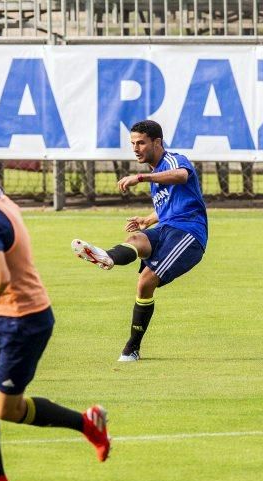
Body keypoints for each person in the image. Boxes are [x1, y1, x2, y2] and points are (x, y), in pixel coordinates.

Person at [0, 143, 111, 481]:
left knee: (8, 408)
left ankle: (87, 423)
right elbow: (3, 269)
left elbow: (3, 276)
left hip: (23, 320)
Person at [71, 120, 207, 362]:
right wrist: (148, 218)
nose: (135, 148)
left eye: (141, 142)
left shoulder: (173, 161)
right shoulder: (156, 174)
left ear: (157, 142)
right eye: (133, 143)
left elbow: (182, 176)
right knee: (136, 240)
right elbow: (170, 205)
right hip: (166, 227)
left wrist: (142, 177)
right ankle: (107, 257)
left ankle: (131, 347)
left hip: (189, 234)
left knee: (146, 280)